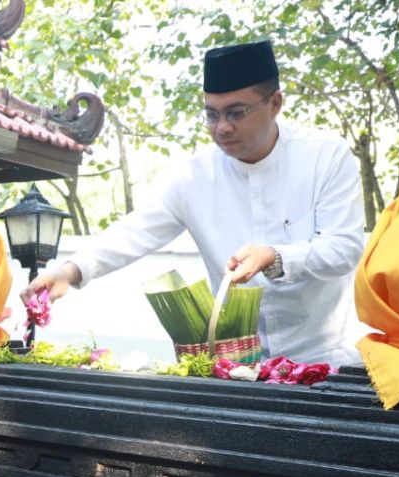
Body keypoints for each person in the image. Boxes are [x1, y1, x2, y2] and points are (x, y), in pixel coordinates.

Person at [22, 40, 366, 365]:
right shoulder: (195, 177)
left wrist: (275, 257)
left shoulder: (325, 156)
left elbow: (344, 249)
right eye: (212, 115)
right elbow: (134, 231)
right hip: (238, 370)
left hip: (325, 362)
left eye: (236, 113)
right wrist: (68, 272)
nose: (222, 128)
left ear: (275, 104)